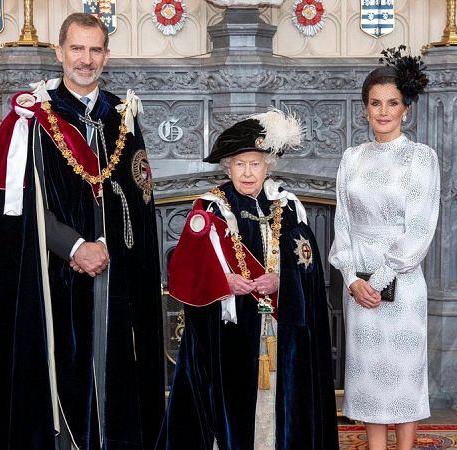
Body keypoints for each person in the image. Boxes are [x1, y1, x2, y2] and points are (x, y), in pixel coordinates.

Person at [0, 13, 165, 449]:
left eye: (95, 49)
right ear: (59, 52)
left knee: (116, 373)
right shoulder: (35, 120)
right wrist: (76, 246)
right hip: (53, 277)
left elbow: (138, 200)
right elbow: (18, 213)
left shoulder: (123, 116)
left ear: (106, 56)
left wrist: (108, 248)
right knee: (62, 377)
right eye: (77, 49)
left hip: (114, 277)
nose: (86, 59)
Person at [155, 110, 339, 450]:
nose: (247, 172)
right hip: (229, 335)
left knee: (278, 401)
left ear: (268, 165)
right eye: (239, 164)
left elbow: (309, 267)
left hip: (280, 331)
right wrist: (224, 281)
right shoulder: (210, 209)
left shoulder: (288, 205)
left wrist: (283, 280)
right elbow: (183, 273)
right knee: (233, 406)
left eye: (255, 163)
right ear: (227, 167)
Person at [329, 46, 439, 450]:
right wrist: (351, 278)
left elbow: (419, 229)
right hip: (358, 283)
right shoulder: (351, 158)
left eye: (392, 103)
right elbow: (342, 223)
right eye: (375, 103)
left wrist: (379, 278)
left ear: (405, 108)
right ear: (365, 108)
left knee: (403, 378)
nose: (383, 111)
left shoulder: (421, 158)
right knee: (368, 380)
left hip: (402, 283)